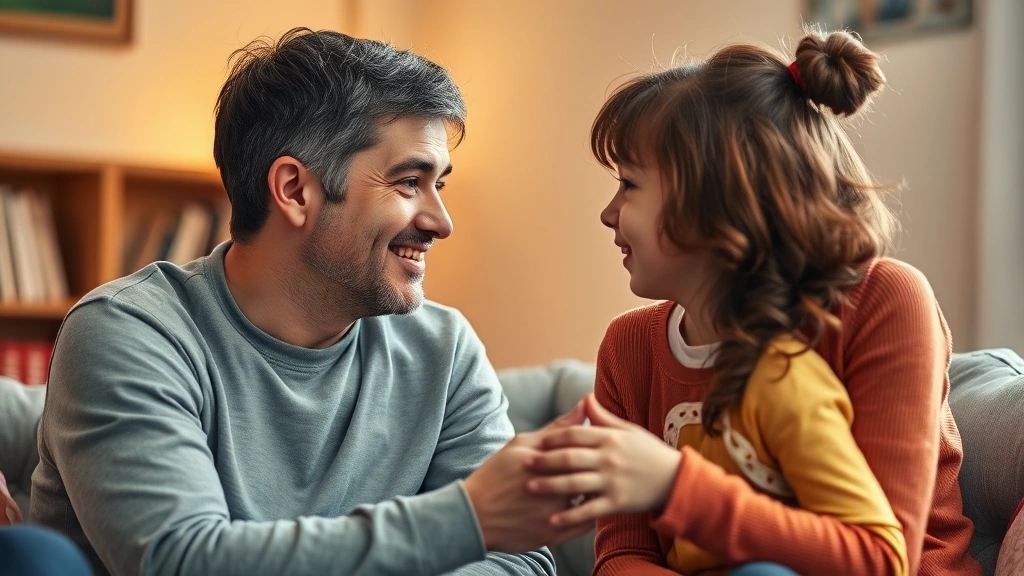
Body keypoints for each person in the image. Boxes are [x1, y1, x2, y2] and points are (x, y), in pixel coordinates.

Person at [30, 28, 591, 576]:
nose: (441, 223)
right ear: (295, 190)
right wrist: (465, 521)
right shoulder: (129, 333)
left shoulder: (444, 350)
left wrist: (480, 531)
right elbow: (182, 559)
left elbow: (516, 559)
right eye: (408, 182)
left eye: (438, 184)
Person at [522, 29, 982, 575]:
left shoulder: (884, 299)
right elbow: (623, 555)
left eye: (630, 184)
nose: (608, 213)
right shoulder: (630, 348)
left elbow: (885, 560)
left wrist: (676, 484)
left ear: (719, 197)